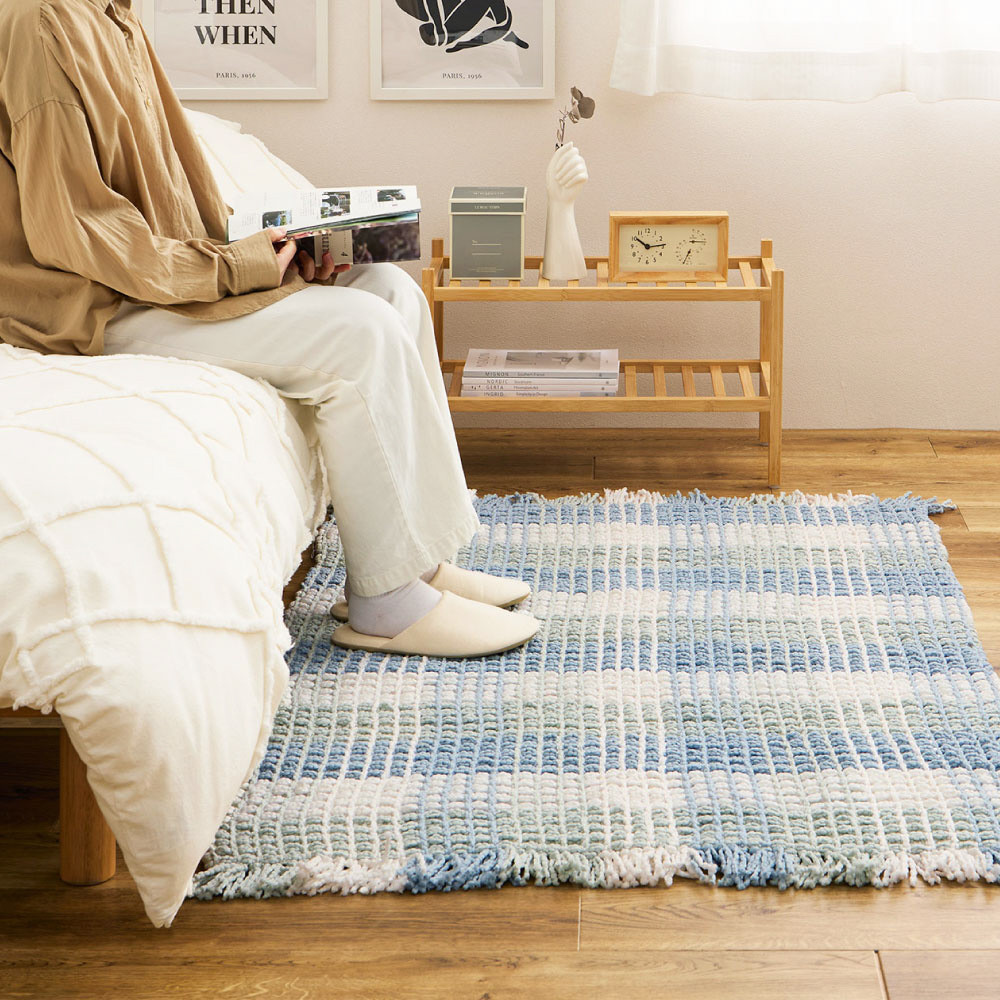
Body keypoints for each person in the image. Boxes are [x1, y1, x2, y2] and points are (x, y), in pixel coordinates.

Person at [0, 0, 538, 658]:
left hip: (163, 276)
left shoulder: (113, 15)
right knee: (361, 333)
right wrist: (234, 268)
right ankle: (388, 605)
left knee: (391, 291)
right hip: (95, 305)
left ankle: (417, 564)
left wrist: (279, 250)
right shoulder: (41, 23)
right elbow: (75, 231)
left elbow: (170, 195)